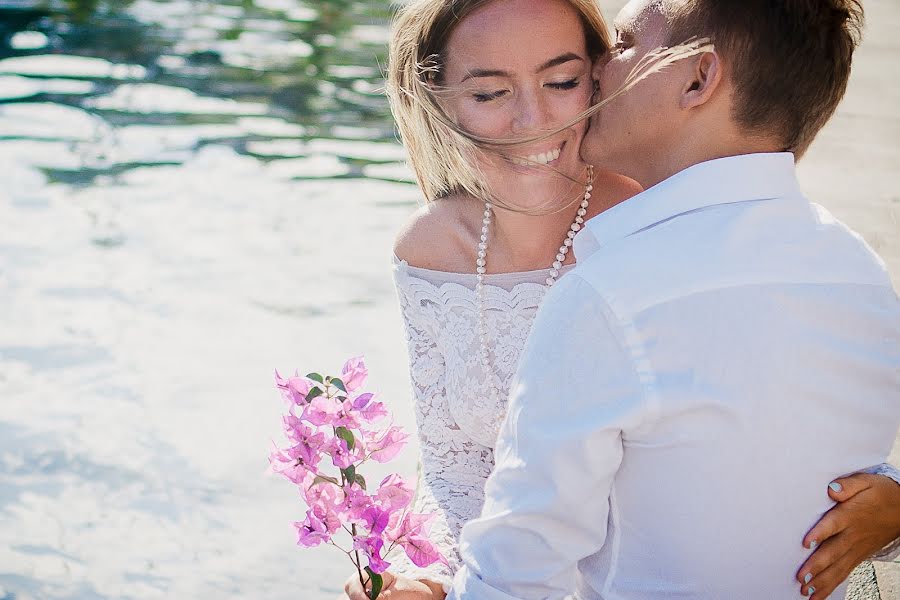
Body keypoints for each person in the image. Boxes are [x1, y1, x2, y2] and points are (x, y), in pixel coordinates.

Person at [343, 0, 900, 598]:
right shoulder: (858, 271)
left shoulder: (613, 293)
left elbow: (521, 570)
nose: (607, 70)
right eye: (488, 93)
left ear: (697, 79)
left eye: (572, 75)